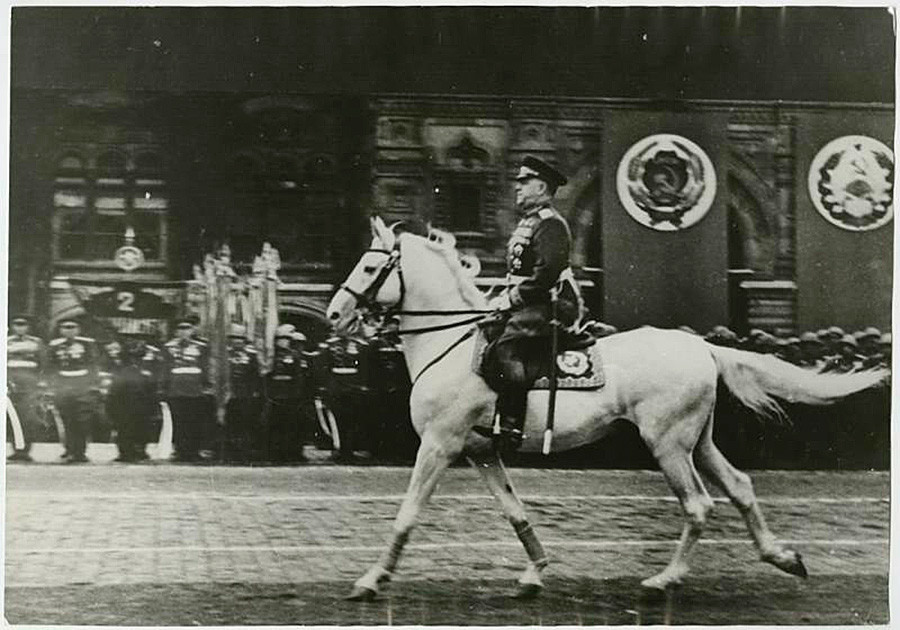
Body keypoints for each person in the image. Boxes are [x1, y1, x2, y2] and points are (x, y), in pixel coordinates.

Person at [482, 156, 583, 451]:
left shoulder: (552, 224)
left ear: (541, 187)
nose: (517, 186)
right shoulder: (530, 222)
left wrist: (512, 298)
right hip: (530, 301)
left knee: (507, 345)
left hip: (551, 303)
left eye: (524, 182)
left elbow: (547, 273)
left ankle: (512, 423)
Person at [46, 318, 100, 463]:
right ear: (60, 330)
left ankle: (80, 451)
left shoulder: (87, 344)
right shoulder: (54, 345)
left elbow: (93, 365)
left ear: (78, 329)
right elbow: (51, 367)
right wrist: (51, 386)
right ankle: (69, 449)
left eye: (72, 327)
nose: (69, 330)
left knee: (82, 419)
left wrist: (94, 385)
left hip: (82, 384)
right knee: (66, 418)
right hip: (63, 384)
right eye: (65, 327)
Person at [160, 317, 212, 462]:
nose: (184, 332)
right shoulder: (168, 347)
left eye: (187, 328)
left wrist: (207, 386)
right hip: (176, 390)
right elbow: (164, 369)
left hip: (195, 390)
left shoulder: (201, 347)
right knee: (178, 421)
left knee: (195, 421)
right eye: (181, 329)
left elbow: (206, 368)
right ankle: (180, 450)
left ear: (192, 330)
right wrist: (163, 388)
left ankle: (194, 450)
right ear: (176, 331)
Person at [107, 333, 162, 462]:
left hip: (141, 406)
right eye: (131, 357)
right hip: (124, 405)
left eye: (137, 358)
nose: (134, 360)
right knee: (124, 429)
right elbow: (114, 392)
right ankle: (126, 452)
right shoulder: (120, 372)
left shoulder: (147, 372)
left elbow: (152, 391)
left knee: (142, 429)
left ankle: (140, 450)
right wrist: (112, 408)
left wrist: (153, 407)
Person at [263, 324, 307, 463]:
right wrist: (268, 394)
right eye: (281, 339)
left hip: (290, 396)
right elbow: (266, 377)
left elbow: (298, 377)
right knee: (274, 426)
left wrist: (297, 394)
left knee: (291, 426)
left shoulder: (294, 355)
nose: (284, 341)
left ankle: (291, 453)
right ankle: (274, 453)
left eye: (287, 339)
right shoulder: (270, 356)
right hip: (275, 395)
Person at [6, 316, 47, 462]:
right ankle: (16, 450)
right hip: (10, 384)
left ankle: (25, 450)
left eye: (23, 325)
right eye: (17, 324)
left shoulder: (36, 342)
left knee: (27, 418)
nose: (20, 328)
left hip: (30, 385)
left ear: (28, 327)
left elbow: (43, 364)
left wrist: (40, 383)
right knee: (12, 418)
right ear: (12, 326)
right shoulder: (6, 341)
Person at [224, 324, 261, 463]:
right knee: (230, 424)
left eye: (240, 339)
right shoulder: (225, 354)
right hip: (230, 394)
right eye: (234, 338)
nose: (237, 341)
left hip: (246, 395)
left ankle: (245, 452)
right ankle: (231, 453)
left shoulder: (251, 355)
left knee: (246, 425)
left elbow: (255, 375)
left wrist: (254, 392)